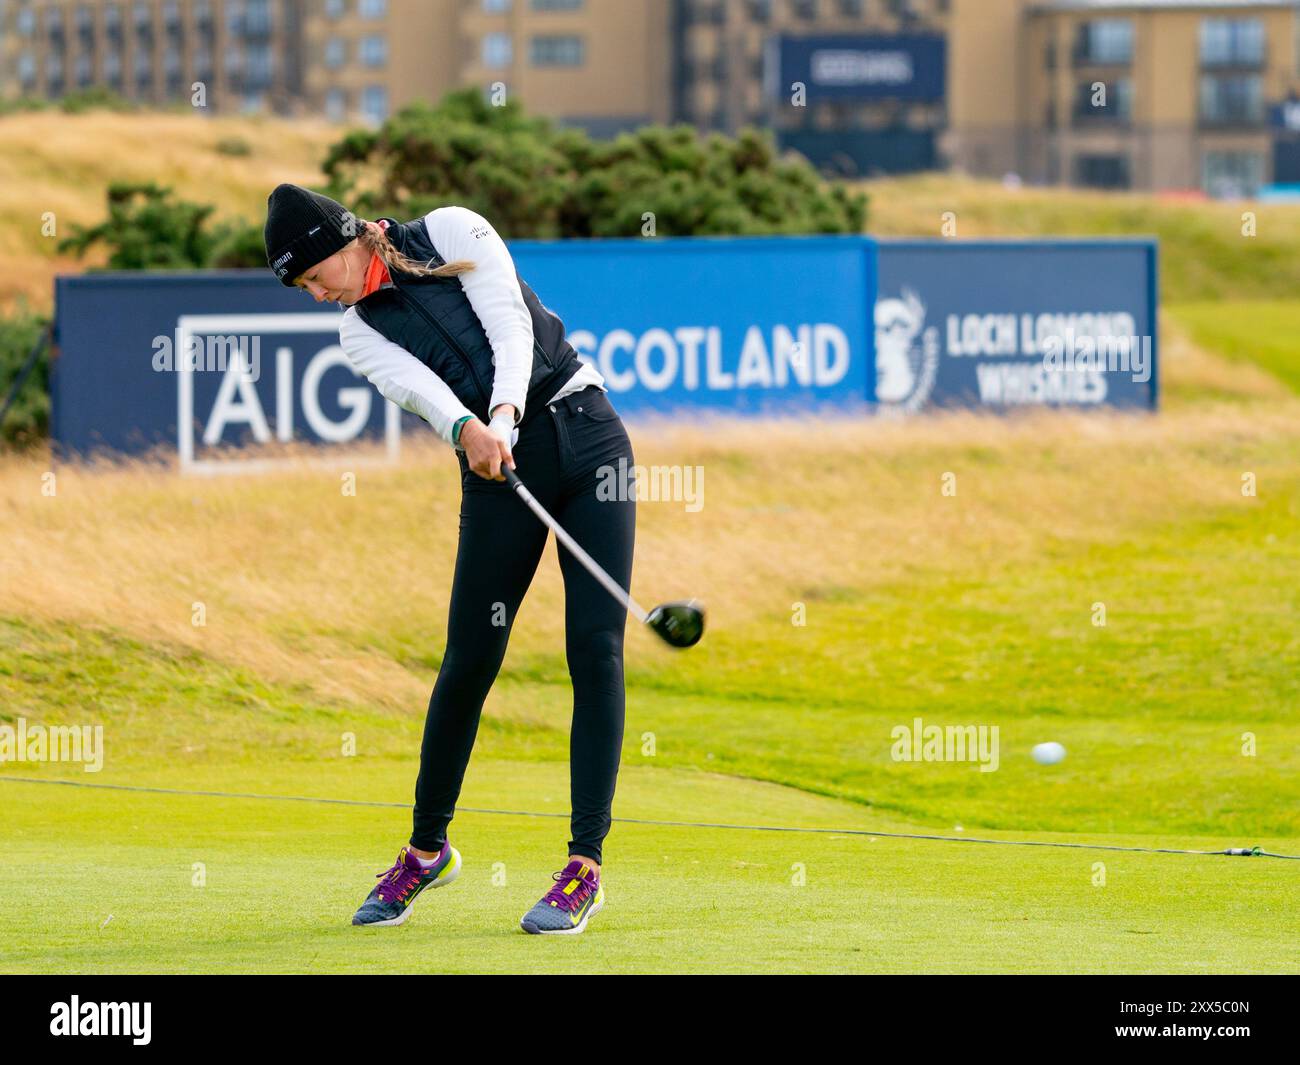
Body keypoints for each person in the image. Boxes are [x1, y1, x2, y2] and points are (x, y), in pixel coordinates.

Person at [263, 184, 637, 934]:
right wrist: (472, 428)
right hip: (495, 469)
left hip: (587, 438)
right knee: (469, 657)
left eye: (312, 277)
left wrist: (501, 414)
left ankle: (583, 867)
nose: (315, 295)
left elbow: (510, 330)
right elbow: (430, 397)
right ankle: (426, 849)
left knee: (595, 647)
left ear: (343, 243)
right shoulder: (357, 331)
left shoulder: (451, 229)